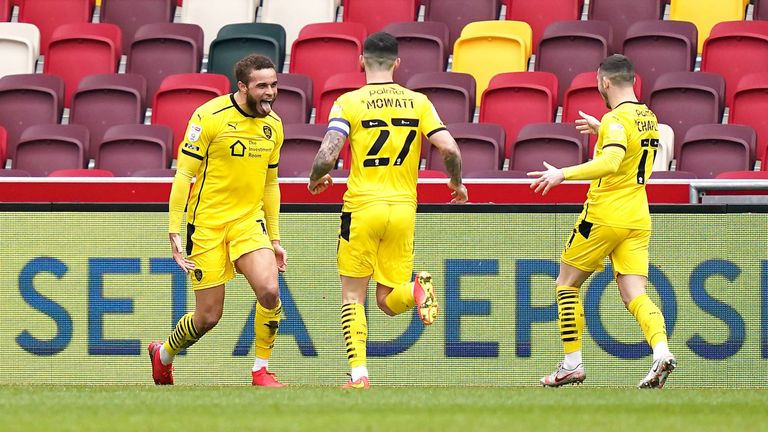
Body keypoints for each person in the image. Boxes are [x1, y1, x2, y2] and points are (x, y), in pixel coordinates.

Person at [307, 32, 468, 389]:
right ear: (397, 63)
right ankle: (414, 291)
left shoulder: (348, 102)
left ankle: (359, 374)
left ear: (361, 61)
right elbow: (450, 149)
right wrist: (456, 183)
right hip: (403, 209)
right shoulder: (418, 102)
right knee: (386, 301)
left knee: (353, 295)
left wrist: (315, 179)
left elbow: (328, 154)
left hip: (363, 207)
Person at [527, 54, 677, 389]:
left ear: (604, 82)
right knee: (634, 293)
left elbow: (610, 163)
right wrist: (601, 130)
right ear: (633, 81)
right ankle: (661, 351)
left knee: (566, 283)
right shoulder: (648, 117)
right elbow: (629, 152)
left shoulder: (615, 119)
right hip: (638, 215)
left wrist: (562, 173)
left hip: (605, 215)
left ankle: (571, 363)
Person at [148, 54, 288, 387]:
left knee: (269, 290)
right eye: (262, 86)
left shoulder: (274, 127)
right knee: (209, 316)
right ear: (242, 86)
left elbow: (270, 183)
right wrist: (174, 228)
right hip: (207, 224)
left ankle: (260, 370)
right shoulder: (209, 116)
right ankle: (163, 354)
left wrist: (276, 238)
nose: (270, 92)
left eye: (274, 85)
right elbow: (184, 173)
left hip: (248, 222)